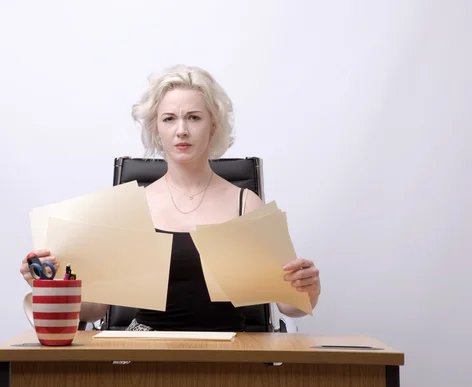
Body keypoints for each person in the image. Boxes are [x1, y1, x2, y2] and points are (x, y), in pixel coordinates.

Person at [19, 64, 321, 331]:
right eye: (169, 119)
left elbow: (291, 306)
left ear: (213, 125)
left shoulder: (246, 204)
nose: (181, 131)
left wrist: (308, 288)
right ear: (156, 128)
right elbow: (95, 309)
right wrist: (50, 286)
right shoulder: (130, 209)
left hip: (228, 355)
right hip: (145, 355)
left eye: (193, 117)